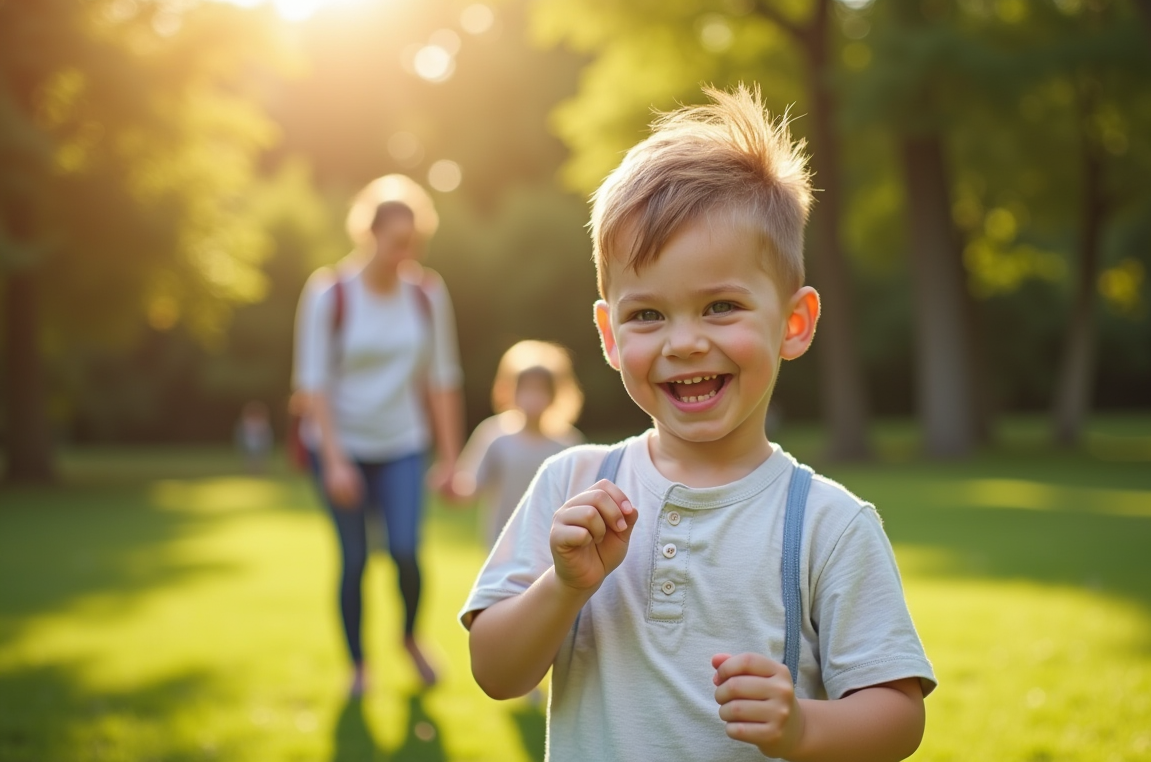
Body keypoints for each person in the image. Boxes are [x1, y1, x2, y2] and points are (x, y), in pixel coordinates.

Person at [459, 85, 936, 761]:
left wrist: (804, 726)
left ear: (793, 323)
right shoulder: (572, 484)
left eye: (720, 306)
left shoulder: (827, 523)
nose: (683, 342)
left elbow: (898, 716)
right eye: (647, 315)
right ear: (609, 334)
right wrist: (565, 586)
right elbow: (495, 672)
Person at [293, 174, 464, 695]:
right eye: (396, 244)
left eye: (412, 244)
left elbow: (442, 380)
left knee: (407, 550)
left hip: (403, 445)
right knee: (354, 559)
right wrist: (337, 460)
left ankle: (410, 638)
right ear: (369, 235)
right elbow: (312, 385)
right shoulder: (330, 294)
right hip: (340, 446)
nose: (404, 254)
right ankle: (358, 666)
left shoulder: (426, 293)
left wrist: (451, 459)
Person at [455, 340, 585, 547]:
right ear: (512, 391)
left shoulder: (567, 444)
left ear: (554, 395)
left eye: (540, 390)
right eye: (526, 389)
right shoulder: (496, 436)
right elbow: (472, 485)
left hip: (548, 544)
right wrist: (453, 486)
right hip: (501, 541)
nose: (533, 397)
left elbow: (578, 495)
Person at [234, 400, 274, 474]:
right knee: (250, 457)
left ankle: (259, 469)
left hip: (260, 442)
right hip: (249, 442)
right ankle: (251, 470)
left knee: (259, 457)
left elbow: (267, 434)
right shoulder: (246, 422)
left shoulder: (263, 423)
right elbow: (240, 434)